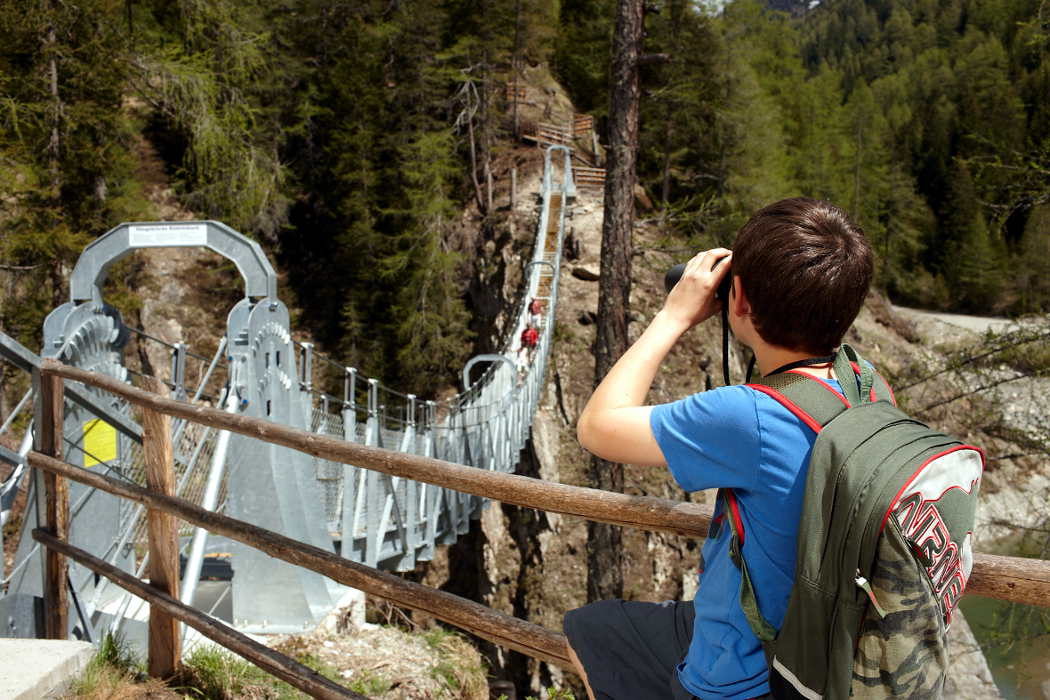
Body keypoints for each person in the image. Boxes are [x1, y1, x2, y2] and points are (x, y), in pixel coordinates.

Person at [563, 197, 874, 700]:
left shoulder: (748, 415)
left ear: (741, 300)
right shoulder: (866, 384)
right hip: (818, 653)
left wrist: (674, 316)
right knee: (613, 628)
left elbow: (597, 428)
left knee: (588, 629)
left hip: (739, 674)